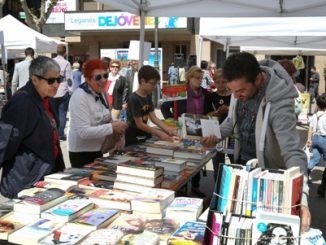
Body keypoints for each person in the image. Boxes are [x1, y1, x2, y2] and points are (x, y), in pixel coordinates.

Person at [202, 52, 310, 232]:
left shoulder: (279, 101)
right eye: (233, 92)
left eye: (241, 91)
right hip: (242, 166)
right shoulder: (240, 87)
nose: (236, 97)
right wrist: (215, 135)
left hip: (269, 177)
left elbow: (292, 151)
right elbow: (231, 121)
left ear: (259, 79)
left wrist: (302, 198)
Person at [0, 56, 65, 198]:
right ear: (35, 79)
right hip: (25, 180)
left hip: (45, 175)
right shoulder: (21, 102)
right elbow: (5, 142)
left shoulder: (48, 98)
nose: (56, 85)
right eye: (51, 81)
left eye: (58, 79)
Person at [160, 66, 211, 197]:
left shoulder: (205, 93)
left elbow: (208, 110)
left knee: (197, 159)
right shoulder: (181, 91)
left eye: (201, 78)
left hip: (199, 131)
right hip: (182, 131)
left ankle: (195, 187)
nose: (200, 81)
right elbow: (164, 106)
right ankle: (180, 187)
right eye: (197, 78)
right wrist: (170, 120)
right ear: (189, 78)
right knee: (181, 158)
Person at [68, 59, 128, 168]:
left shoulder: (102, 92)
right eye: (98, 77)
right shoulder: (79, 97)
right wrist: (112, 127)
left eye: (105, 75)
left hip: (99, 148)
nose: (103, 80)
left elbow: (106, 117)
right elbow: (83, 131)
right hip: (82, 152)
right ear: (87, 79)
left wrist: (117, 125)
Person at [125, 65, 177, 146]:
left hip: (144, 134)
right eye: (152, 83)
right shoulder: (133, 99)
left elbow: (154, 118)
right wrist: (159, 133)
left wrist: (168, 129)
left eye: (156, 83)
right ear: (142, 81)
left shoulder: (148, 95)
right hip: (133, 136)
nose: (154, 86)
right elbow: (140, 124)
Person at [205, 68, 232, 181]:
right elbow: (206, 115)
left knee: (235, 163)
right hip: (216, 133)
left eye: (223, 82)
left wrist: (229, 109)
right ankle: (217, 190)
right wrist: (217, 113)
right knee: (218, 165)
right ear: (214, 82)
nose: (220, 85)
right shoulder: (211, 97)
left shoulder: (234, 96)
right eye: (218, 82)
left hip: (232, 134)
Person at [306, 93, 326, 197]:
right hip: (324, 139)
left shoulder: (314, 116)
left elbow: (311, 128)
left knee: (314, 159)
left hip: (315, 139)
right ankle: (323, 185)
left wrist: (309, 139)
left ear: (317, 104)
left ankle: (305, 175)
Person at [52, 44, 73, 141]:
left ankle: (54, 133)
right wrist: (71, 90)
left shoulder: (51, 62)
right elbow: (69, 78)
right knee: (62, 113)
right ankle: (60, 134)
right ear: (65, 52)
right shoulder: (66, 63)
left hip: (52, 89)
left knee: (53, 113)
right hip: (63, 89)